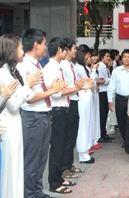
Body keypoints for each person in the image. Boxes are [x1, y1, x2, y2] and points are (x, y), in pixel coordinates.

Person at [17, 28, 66, 198]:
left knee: (40, 159)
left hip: (44, 115)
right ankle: (29, 194)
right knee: (31, 160)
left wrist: (52, 89)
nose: (46, 48)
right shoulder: (24, 66)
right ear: (36, 44)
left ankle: (38, 191)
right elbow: (29, 98)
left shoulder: (37, 64)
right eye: (44, 44)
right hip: (33, 117)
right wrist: (52, 91)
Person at [0, 34, 42, 198]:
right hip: (8, 127)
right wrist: (28, 85)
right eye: (20, 48)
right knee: (11, 171)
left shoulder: (10, 72)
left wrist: (28, 86)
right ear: (11, 51)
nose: (23, 51)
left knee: (16, 168)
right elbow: (12, 105)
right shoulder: (3, 74)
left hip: (14, 124)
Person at [43, 37, 83, 195]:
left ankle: (58, 177)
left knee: (61, 146)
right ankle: (54, 182)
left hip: (63, 109)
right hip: (57, 111)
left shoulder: (57, 67)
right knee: (57, 148)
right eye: (65, 49)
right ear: (59, 50)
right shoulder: (51, 69)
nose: (67, 52)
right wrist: (76, 88)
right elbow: (57, 93)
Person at [60, 38, 87, 179]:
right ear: (67, 49)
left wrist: (81, 85)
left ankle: (69, 165)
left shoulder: (71, 65)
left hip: (74, 100)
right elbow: (63, 87)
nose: (76, 50)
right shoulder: (63, 66)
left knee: (72, 136)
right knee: (68, 137)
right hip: (68, 102)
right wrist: (79, 87)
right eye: (74, 48)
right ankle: (64, 168)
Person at [107, 49, 129, 154]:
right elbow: (112, 86)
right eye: (124, 57)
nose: (126, 59)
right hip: (119, 99)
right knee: (121, 122)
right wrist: (110, 101)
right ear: (122, 58)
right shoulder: (116, 71)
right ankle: (126, 139)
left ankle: (128, 144)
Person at [75, 45, 95, 164]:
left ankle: (86, 150)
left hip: (87, 98)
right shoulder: (79, 68)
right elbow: (89, 82)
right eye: (88, 56)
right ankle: (82, 153)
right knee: (83, 125)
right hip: (82, 98)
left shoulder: (84, 67)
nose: (89, 58)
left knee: (88, 124)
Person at [97, 50, 112, 143]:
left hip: (106, 92)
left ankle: (104, 133)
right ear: (102, 57)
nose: (108, 58)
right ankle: (101, 135)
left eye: (109, 56)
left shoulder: (106, 67)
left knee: (105, 114)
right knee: (102, 114)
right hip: (102, 92)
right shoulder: (100, 67)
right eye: (106, 56)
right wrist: (111, 79)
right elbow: (102, 81)